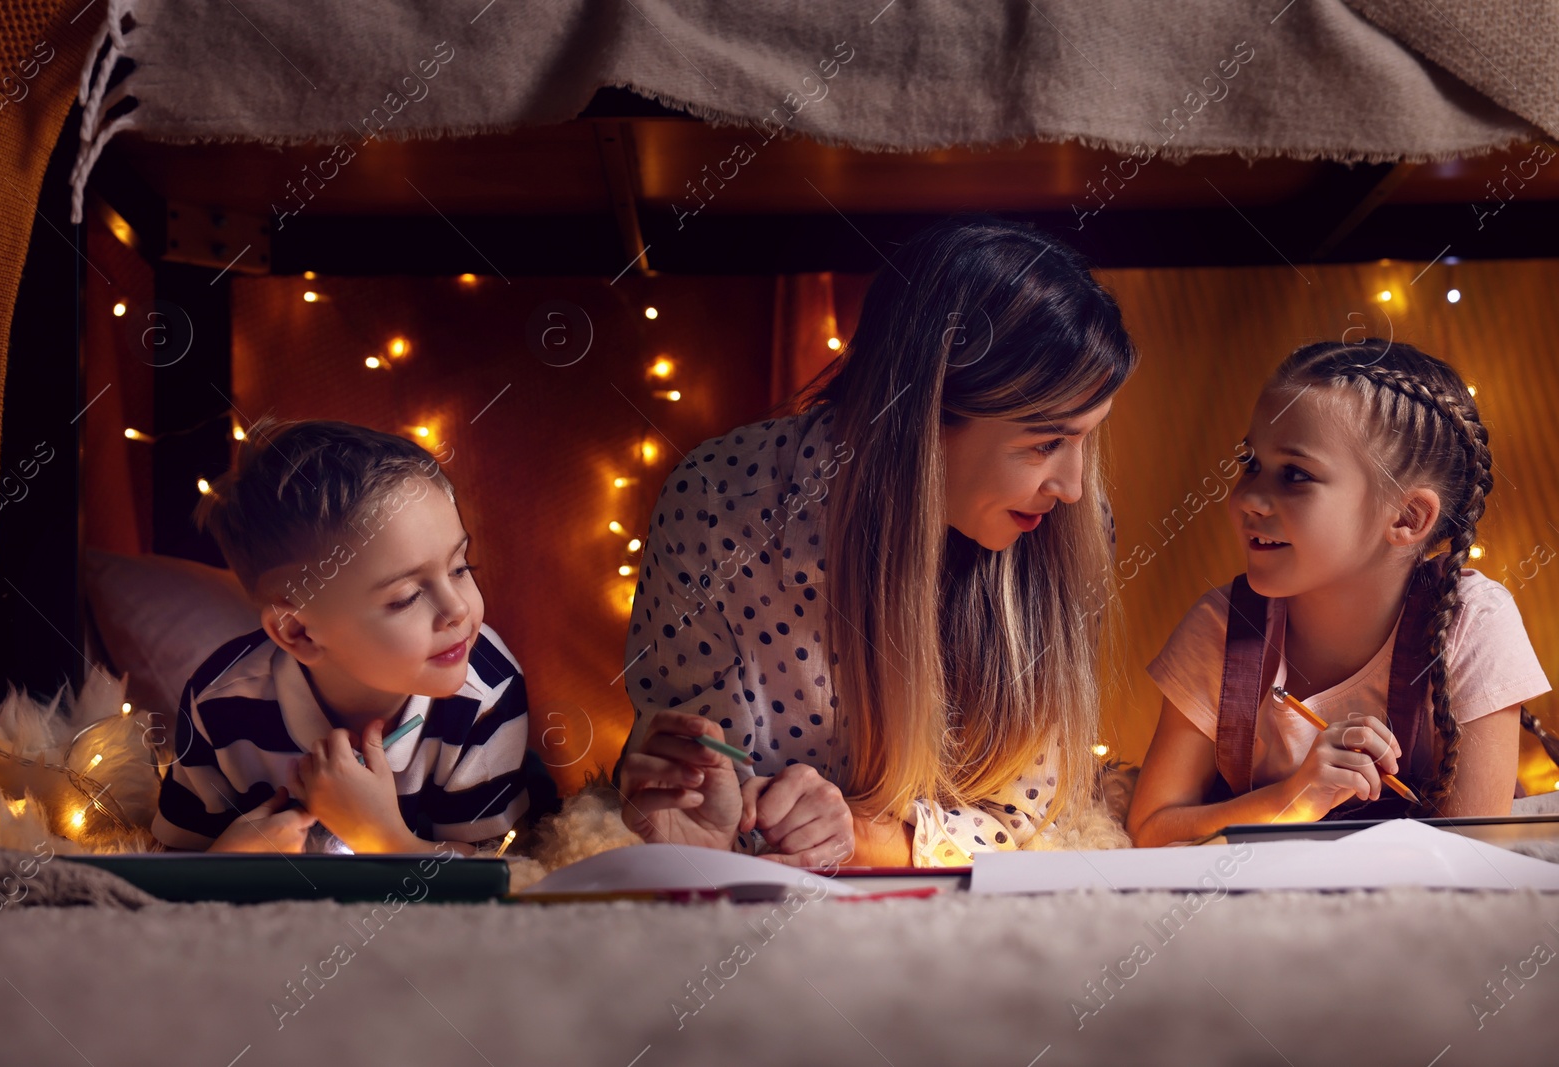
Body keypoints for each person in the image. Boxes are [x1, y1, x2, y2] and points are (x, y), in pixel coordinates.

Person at [615, 216, 1138, 866]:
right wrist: (714, 819)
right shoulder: (719, 506)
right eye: (1045, 443)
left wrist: (865, 838)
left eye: (1087, 437)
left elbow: (1026, 817)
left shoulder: (1066, 532)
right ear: (922, 421)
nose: (1073, 488)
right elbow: (690, 786)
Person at [1128, 340, 1550, 846]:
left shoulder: (1474, 622)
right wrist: (1292, 799)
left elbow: (1474, 858)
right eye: (1251, 463)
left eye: (1296, 475)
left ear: (1407, 517)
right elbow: (1151, 829)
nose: (1245, 499)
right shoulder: (1219, 628)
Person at [151, 418, 556, 854]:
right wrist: (223, 864)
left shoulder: (487, 692)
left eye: (460, 568)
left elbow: (496, 882)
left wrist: (384, 837)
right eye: (405, 598)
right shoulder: (218, 705)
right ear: (299, 632)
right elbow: (175, 867)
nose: (457, 609)